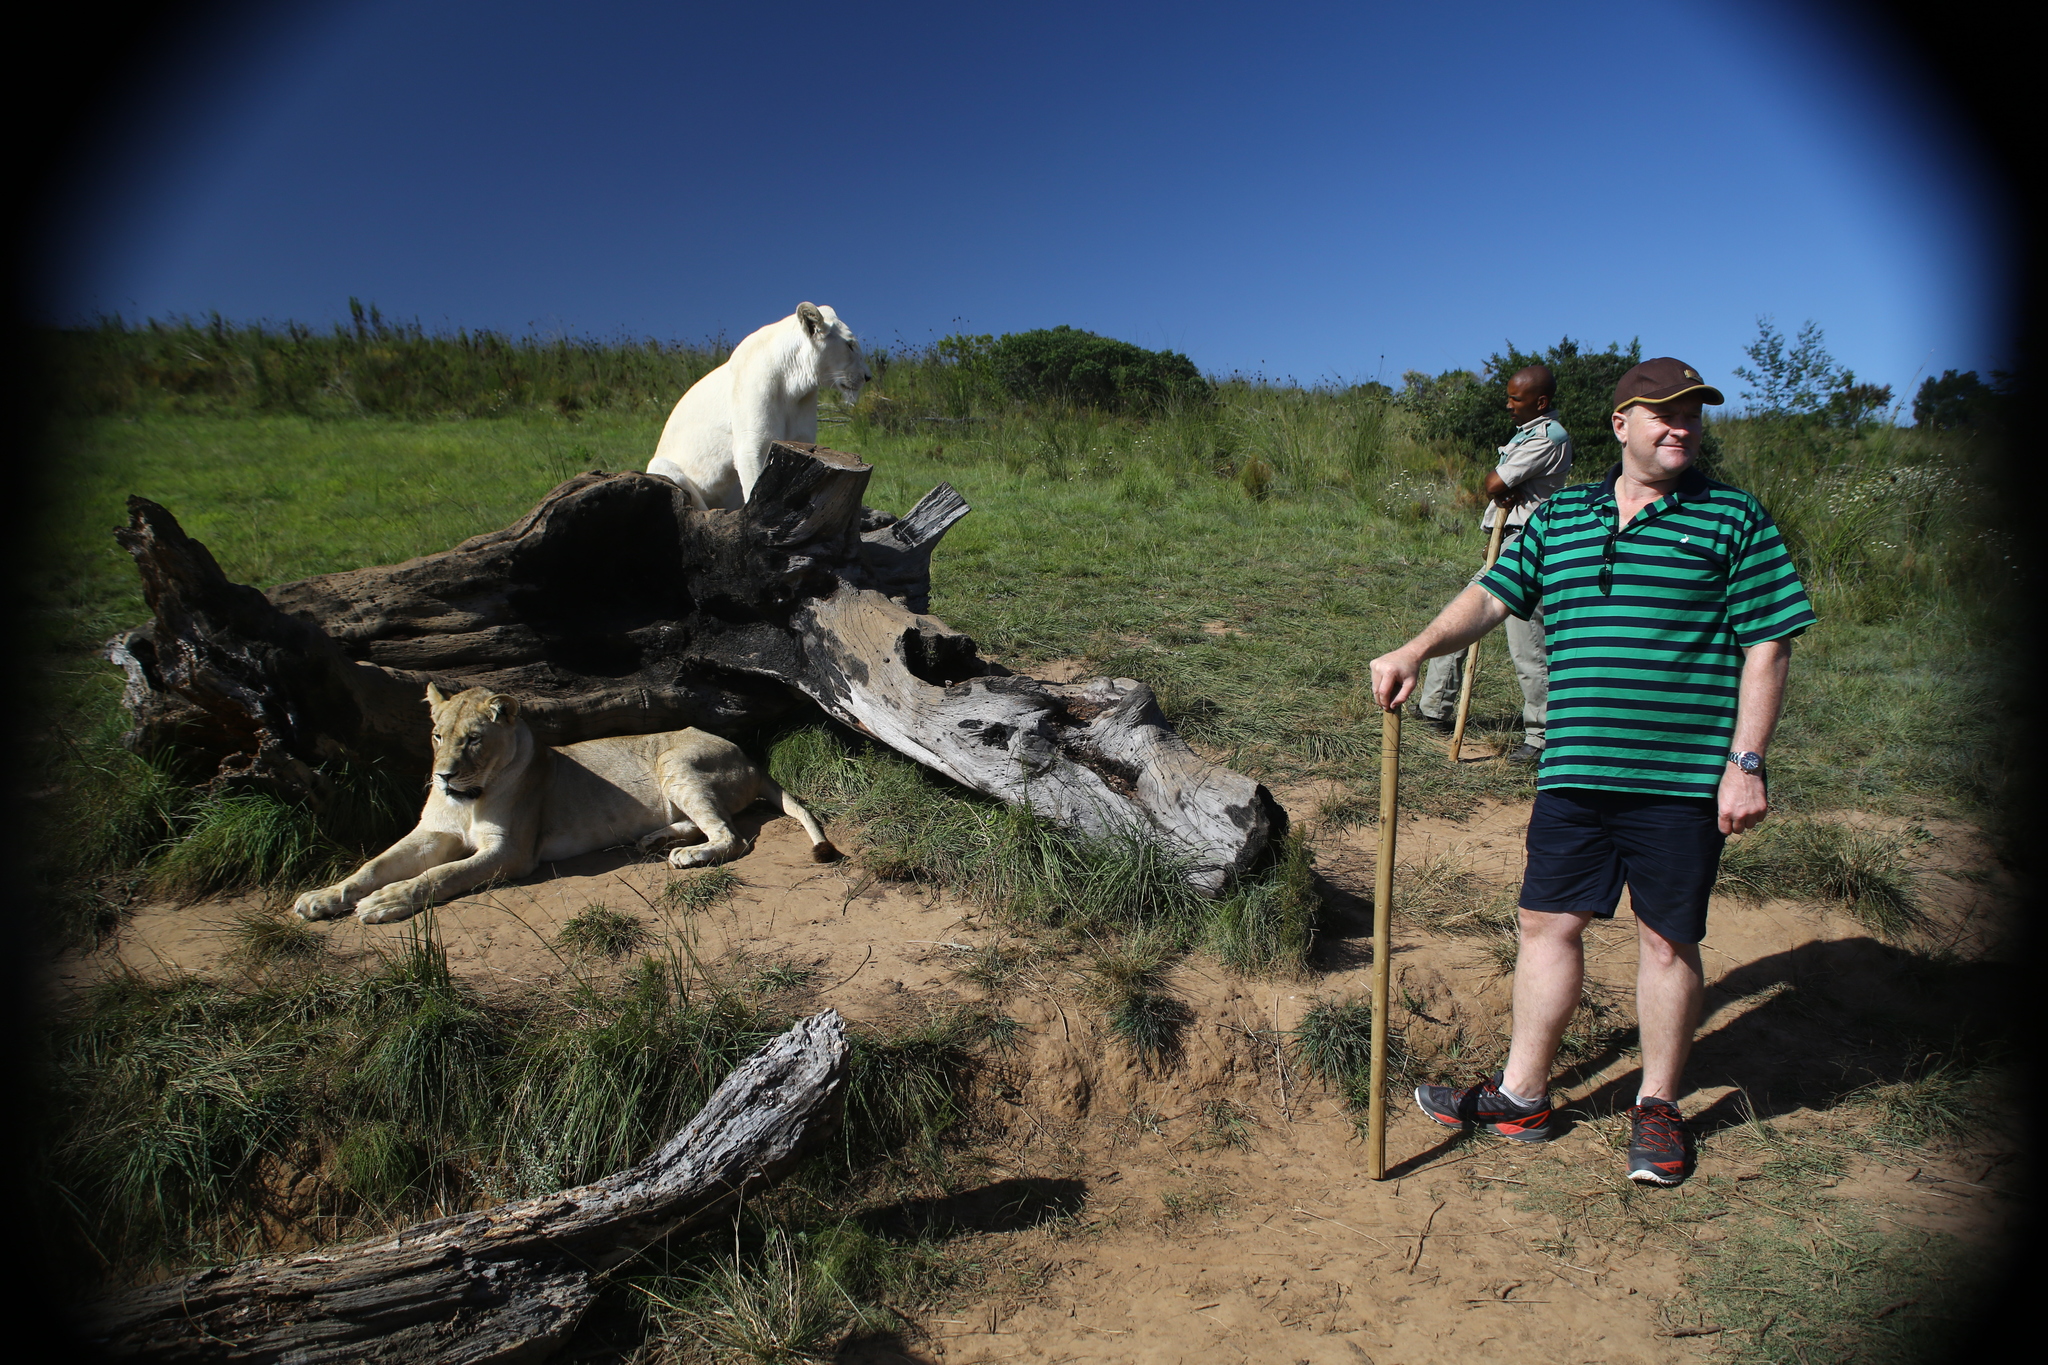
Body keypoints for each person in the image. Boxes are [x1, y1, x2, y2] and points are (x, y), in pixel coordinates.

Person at [1367, 357, 1814, 1185]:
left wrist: (1745, 762)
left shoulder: (1732, 519)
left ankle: (1658, 1106)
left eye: (1693, 414)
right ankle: (1523, 1094)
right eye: (1664, 413)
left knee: (1666, 940)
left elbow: (1768, 644)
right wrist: (1416, 646)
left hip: (1681, 779)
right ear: (1621, 425)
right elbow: (1493, 594)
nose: (1681, 425)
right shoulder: (1563, 517)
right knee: (1545, 924)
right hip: (1574, 770)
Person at [1413, 364, 1572, 763]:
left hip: (1529, 550)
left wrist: (1504, 489)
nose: (1508, 405)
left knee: (1528, 648)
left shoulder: (1551, 437)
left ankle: (1542, 738)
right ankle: (1434, 709)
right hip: (1505, 545)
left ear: (1541, 402)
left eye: (1516, 399)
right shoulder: (1525, 434)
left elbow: (1495, 483)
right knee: (1457, 621)